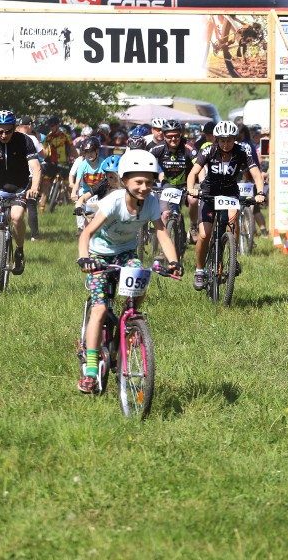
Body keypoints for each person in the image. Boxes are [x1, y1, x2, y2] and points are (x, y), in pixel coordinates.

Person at [76, 149, 183, 393]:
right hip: (98, 255)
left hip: (125, 253)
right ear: (124, 181)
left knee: (141, 275)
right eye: (138, 181)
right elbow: (87, 233)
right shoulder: (113, 201)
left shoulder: (152, 203)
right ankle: (91, 368)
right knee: (100, 308)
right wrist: (84, 258)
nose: (144, 186)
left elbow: (161, 233)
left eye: (149, 181)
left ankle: (130, 315)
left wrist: (174, 261)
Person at [187, 120, 265, 290]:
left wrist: (260, 193)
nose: (226, 144)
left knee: (232, 222)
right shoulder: (209, 150)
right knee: (204, 234)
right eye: (222, 140)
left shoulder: (242, 150)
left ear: (234, 139)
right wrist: (191, 189)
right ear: (217, 139)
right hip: (208, 193)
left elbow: (256, 174)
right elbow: (193, 173)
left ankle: (232, 259)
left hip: (230, 193)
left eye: (229, 140)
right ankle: (199, 270)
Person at [0, 110, 42, 274]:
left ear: (15, 128)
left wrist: (34, 187)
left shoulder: (24, 141)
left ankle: (19, 251)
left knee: (16, 217)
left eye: (8, 130)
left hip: (20, 187)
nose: (4, 134)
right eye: (0, 130)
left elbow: (36, 168)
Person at [150, 119, 200, 241]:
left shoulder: (188, 147)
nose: (173, 139)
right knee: (165, 215)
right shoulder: (158, 148)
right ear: (164, 136)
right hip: (169, 184)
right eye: (169, 136)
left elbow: (200, 165)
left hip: (188, 183)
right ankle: (164, 249)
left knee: (193, 200)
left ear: (181, 135)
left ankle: (193, 226)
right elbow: (146, 162)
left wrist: (202, 183)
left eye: (176, 136)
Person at [40, 116, 76, 212]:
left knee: (68, 185)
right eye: (49, 126)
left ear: (57, 125)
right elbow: (45, 150)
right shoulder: (48, 137)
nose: (51, 128)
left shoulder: (65, 136)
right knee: (45, 183)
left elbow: (72, 149)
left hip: (64, 163)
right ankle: (42, 207)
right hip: (52, 163)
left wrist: (77, 158)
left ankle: (77, 205)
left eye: (52, 126)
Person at [70, 137, 106, 232]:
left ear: (97, 151)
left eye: (91, 151)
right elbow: (77, 182)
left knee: (96, 219)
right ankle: (83, 232)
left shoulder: (103, 163)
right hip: (86, 194)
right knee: (88, 218)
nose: (89, 154)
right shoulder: (83, 165)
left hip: (100, 194)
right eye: (86, 152)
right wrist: (74, 192)